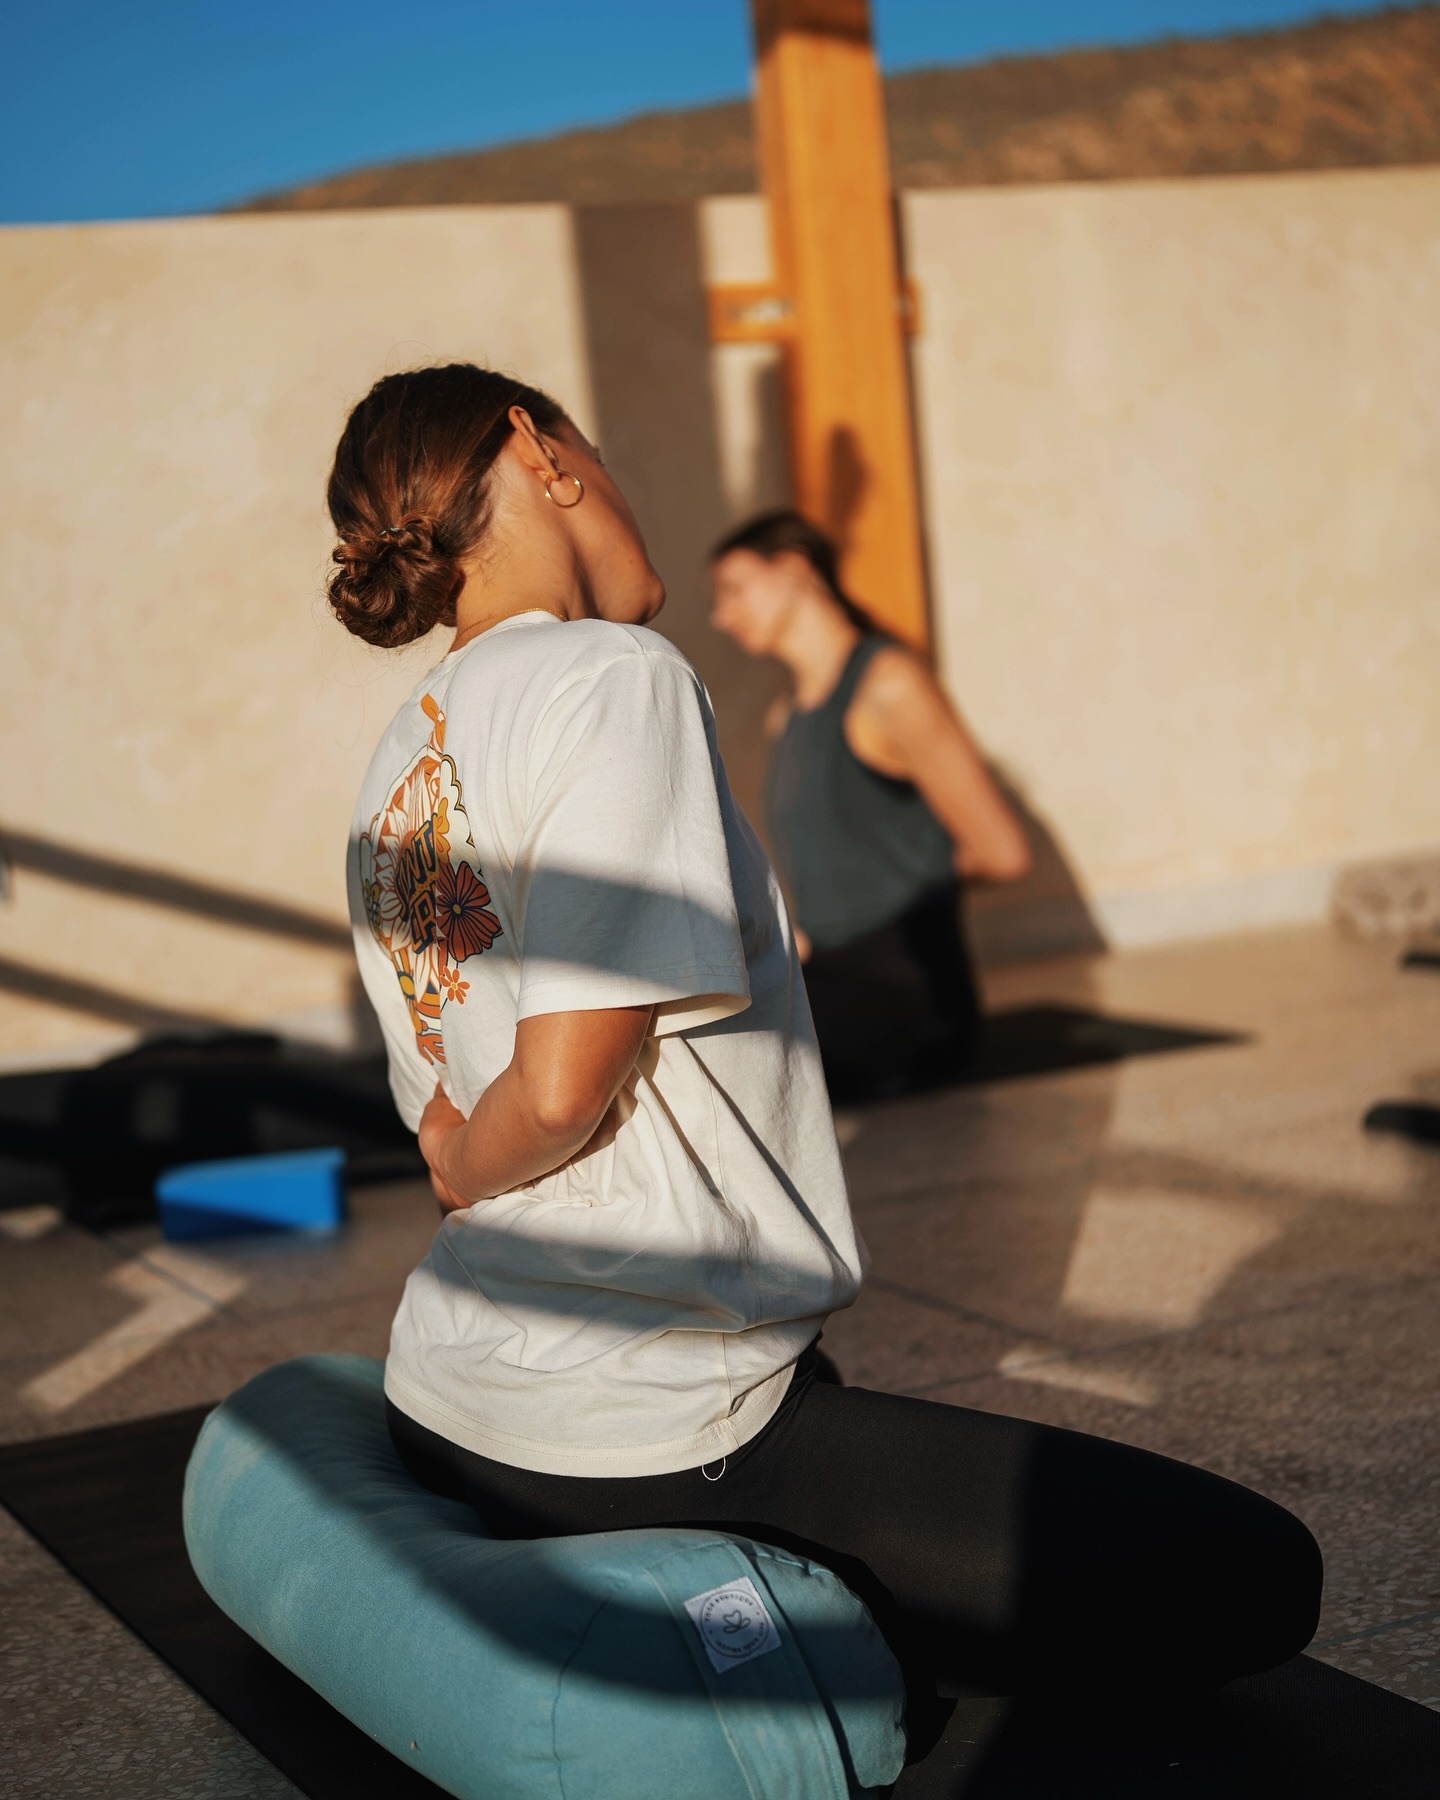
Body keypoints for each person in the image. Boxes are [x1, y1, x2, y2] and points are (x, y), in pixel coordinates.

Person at [329, 363, 1321, 1721]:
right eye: (599, 448)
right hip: (644, 1429)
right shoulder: (609, 675)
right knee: (1257, 1576)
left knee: (856, 1408)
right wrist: (466, 1166)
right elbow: (554, 1091)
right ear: (540, 452)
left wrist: (461, 1156)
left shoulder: (394, 754)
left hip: (448, 1394)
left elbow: (450, 1102)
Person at [710, 510, 1031, 1100]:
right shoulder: (787, 715)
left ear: (797, 569)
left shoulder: (888, 684)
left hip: (908, 998)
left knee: (717, 1061)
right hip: (835, 979)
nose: (721, 616)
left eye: (734, 589)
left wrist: (898, 887)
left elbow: (1002, 854)